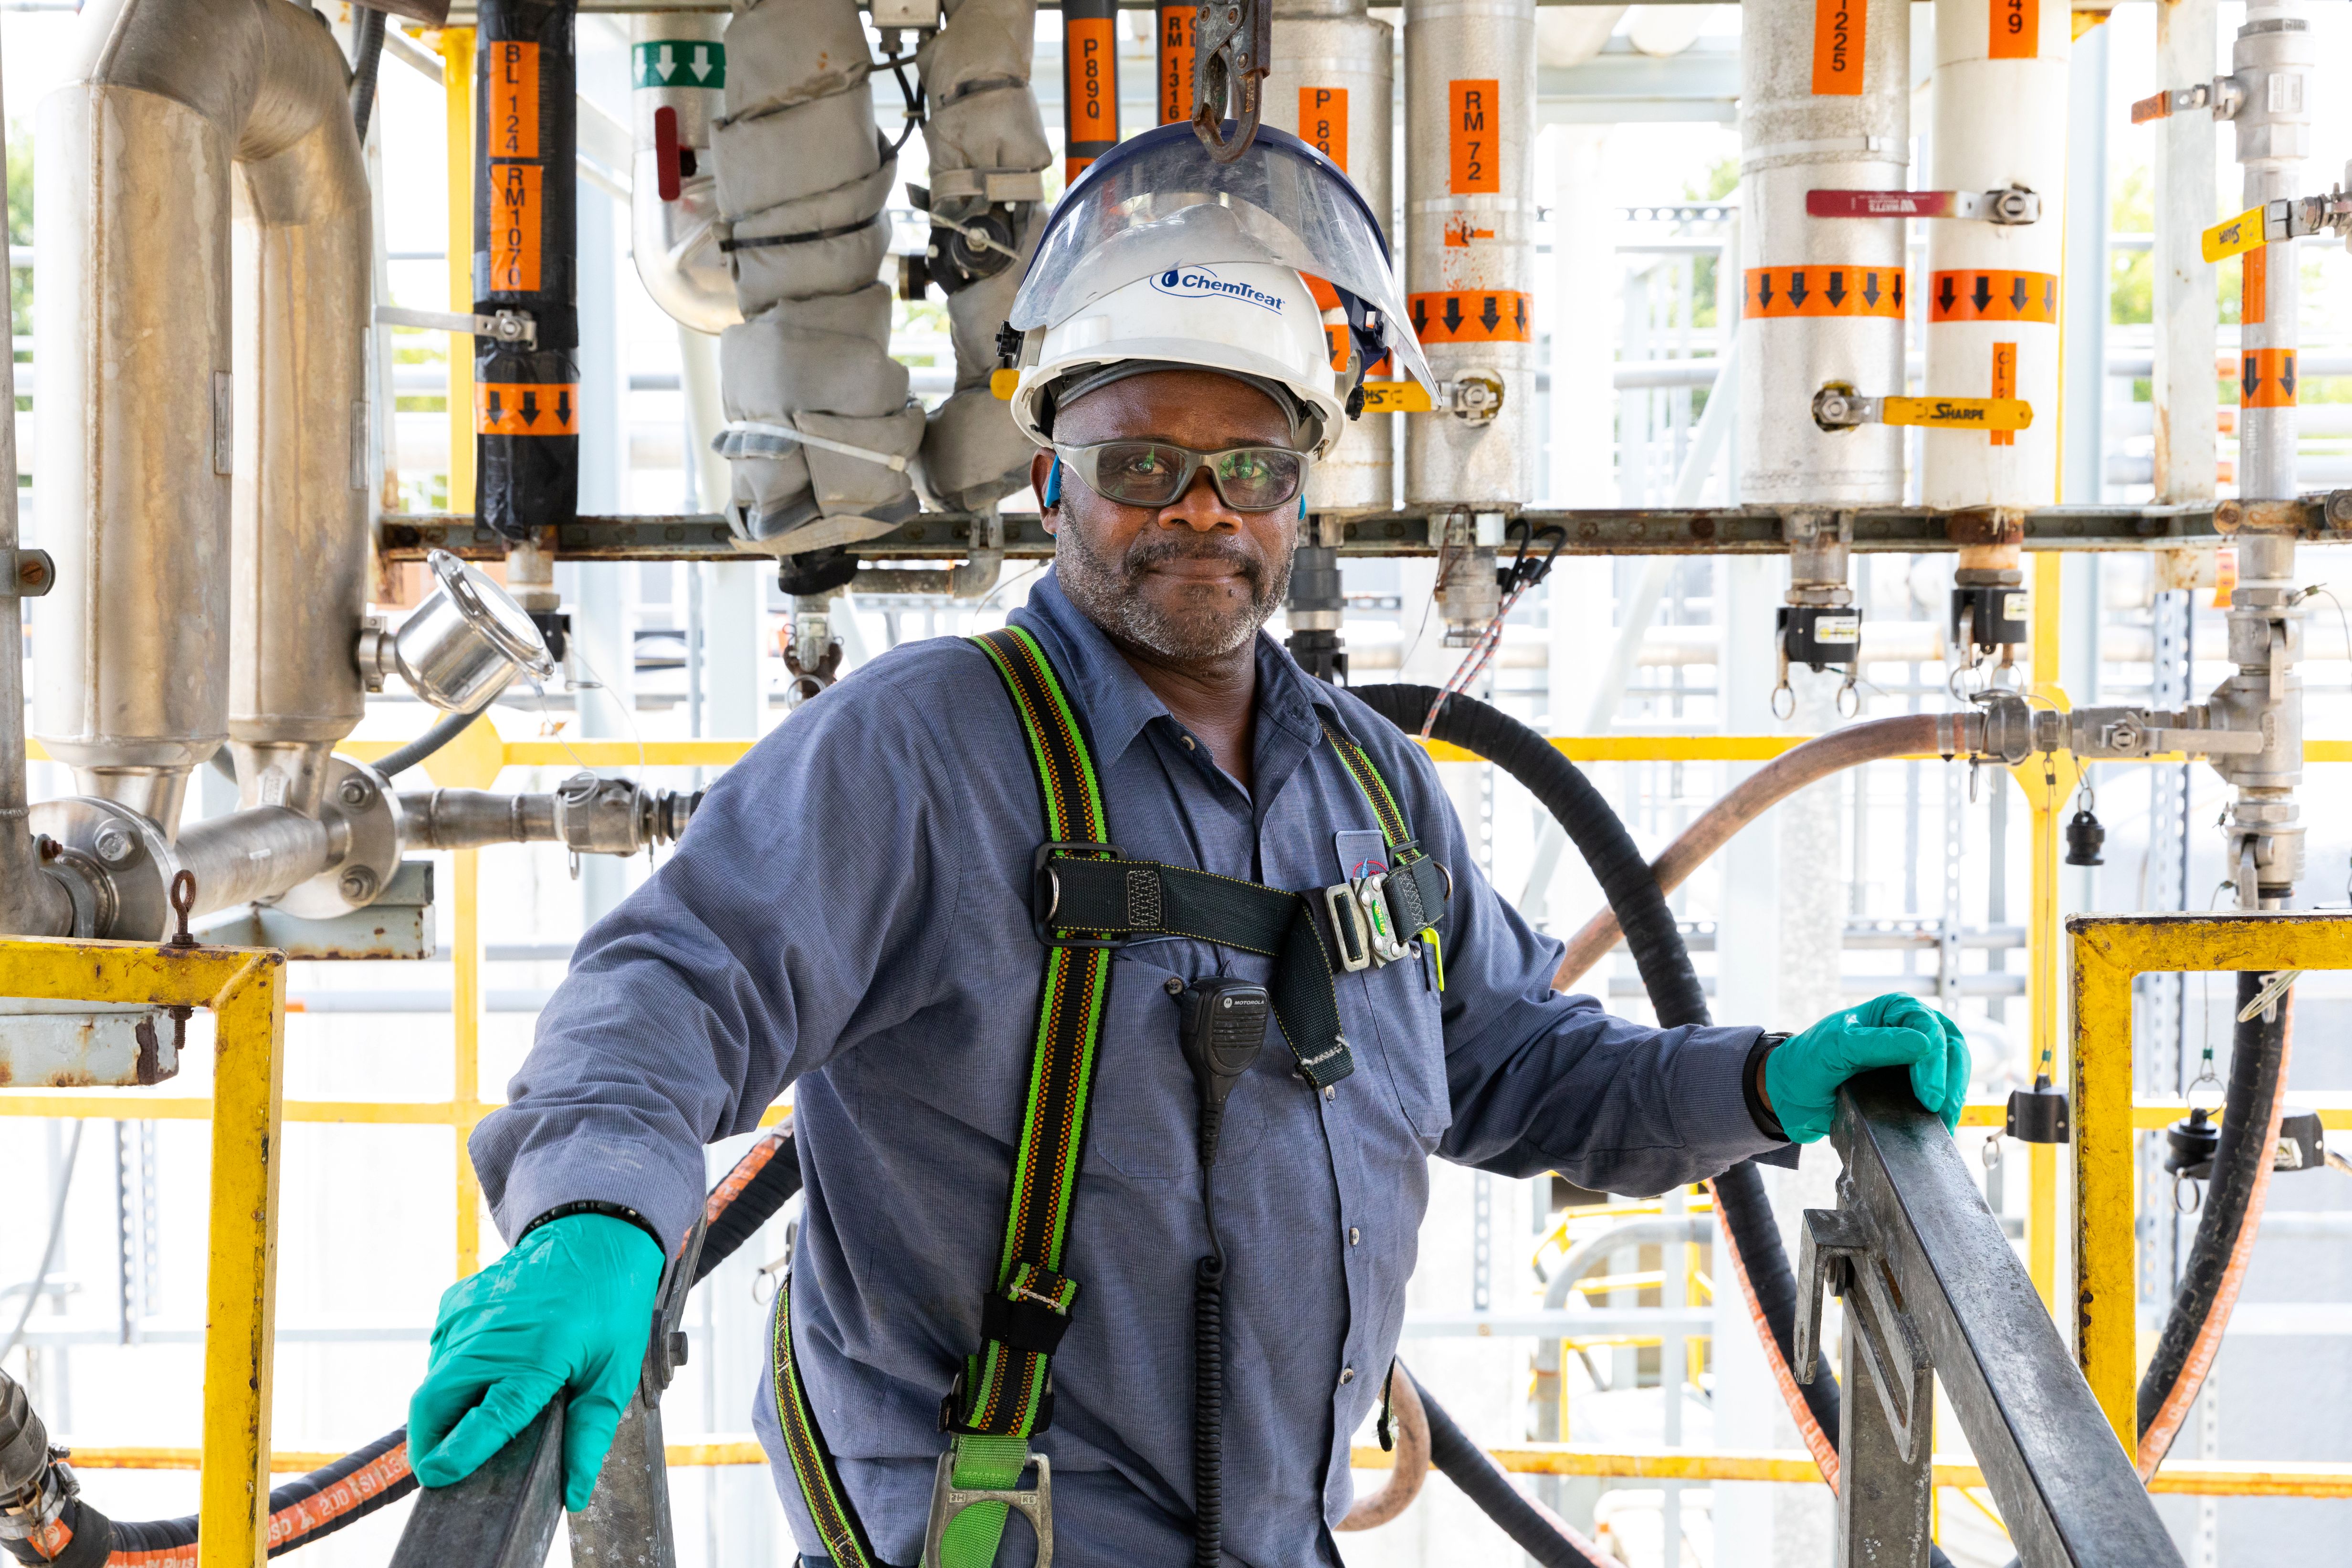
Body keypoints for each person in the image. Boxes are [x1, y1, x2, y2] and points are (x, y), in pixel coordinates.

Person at [405, 125, 1970, 1568]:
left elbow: (1509, 1064)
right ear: (1048, 485)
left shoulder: (1370, 786)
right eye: (1140, 462)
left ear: (1303, 497)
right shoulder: (924, 749)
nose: (1201, 509)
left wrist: (1762, 1086)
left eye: (1253, 467)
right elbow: (677, 983)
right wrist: (601, 1218)